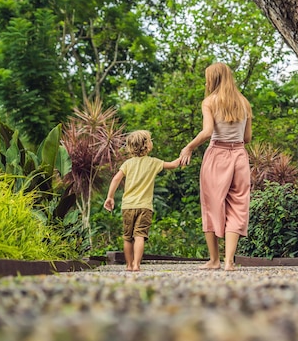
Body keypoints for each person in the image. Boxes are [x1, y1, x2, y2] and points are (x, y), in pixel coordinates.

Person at [179, 62, 253, 271]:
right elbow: (247, 138)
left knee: (212, 205)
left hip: (216, 156)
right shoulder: (244, 102)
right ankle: (230, 261)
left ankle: (214, 260)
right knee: (238, 206)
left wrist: (189, 147)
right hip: (239, 155)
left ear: (213, 79)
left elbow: (207, 131)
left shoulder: (209, 101)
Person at [104, 130, 180, 272]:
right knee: (139, 235)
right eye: (150, 140)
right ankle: (136, 265)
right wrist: (184, 154)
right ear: (147, 146)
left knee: (127, 237)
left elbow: (116, 178)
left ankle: (128, 265)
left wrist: (110, 197)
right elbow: (174, 165)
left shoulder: (127, 164)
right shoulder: (153, 162)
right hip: (144, 207)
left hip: (127, 206)